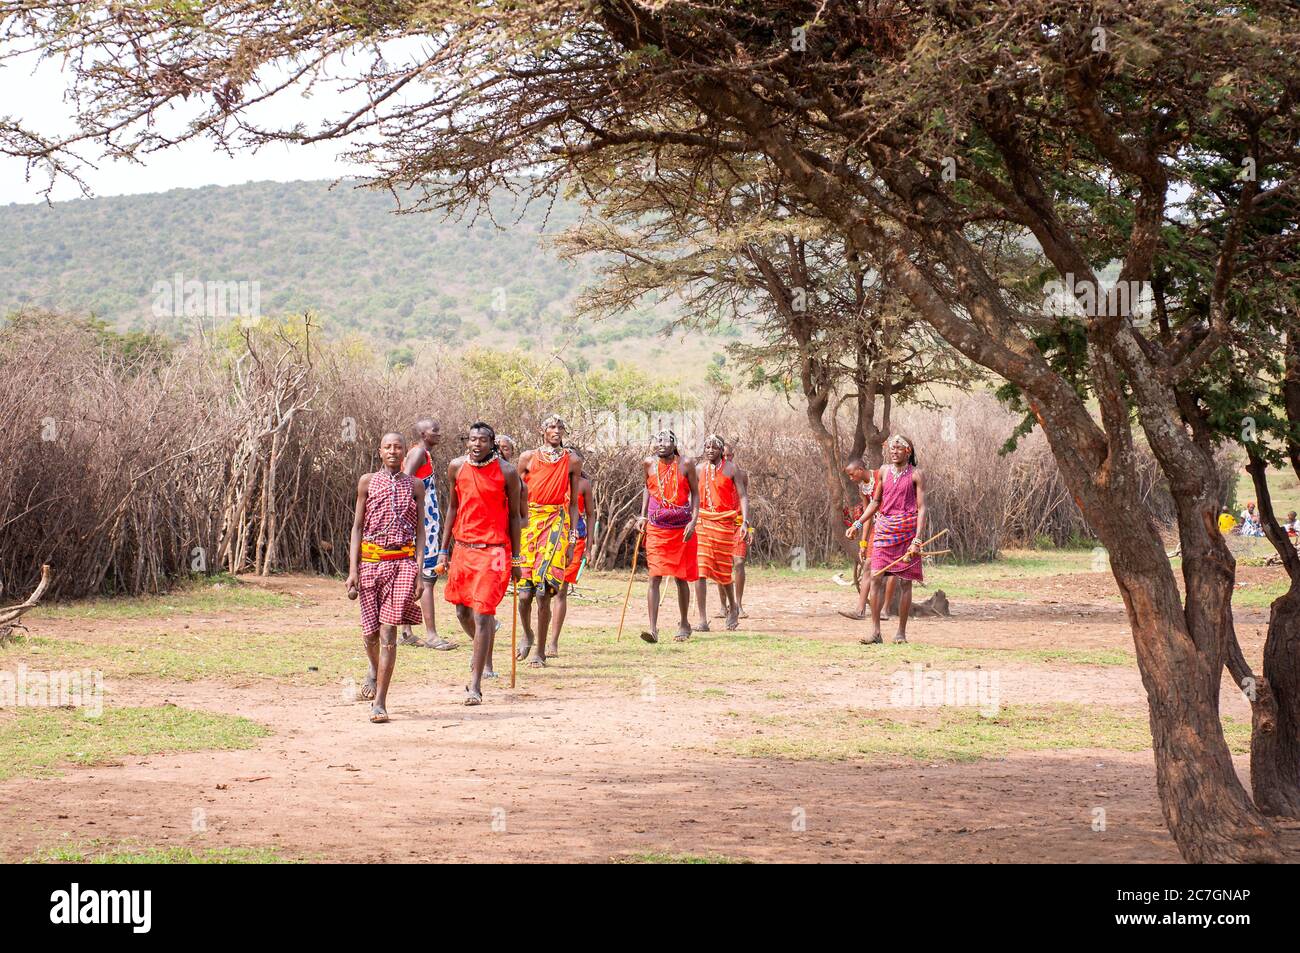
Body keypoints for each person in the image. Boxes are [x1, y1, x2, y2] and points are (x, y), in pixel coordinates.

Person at [435, 422, 523, 705]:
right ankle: (482, 646)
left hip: (494, 550)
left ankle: (475, 685)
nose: (476, 445)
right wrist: (443, 551)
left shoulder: (508, 472)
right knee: (463, 613)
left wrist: (517, 558)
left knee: (483, 613)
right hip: (463, 548)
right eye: (472, 440)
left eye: (482, 440)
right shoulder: (456, 467)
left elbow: (514, 518)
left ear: (492, 443)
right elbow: (451, 508)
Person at [345, 432, 429, 723]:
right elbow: (357, 528)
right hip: (370, 563)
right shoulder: (367, 482)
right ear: (379, 451)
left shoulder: (415, 485)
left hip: (403, 563)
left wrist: (419, 571)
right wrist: (353, 570)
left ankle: (380, 701)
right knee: (369, 632)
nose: (393, 451)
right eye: (388, 447)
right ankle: (373, 668)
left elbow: (421, 531)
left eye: (398, 447)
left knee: (388, 631)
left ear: (405, 452)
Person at [514, 415, 582, 666]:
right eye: (551, 427)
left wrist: (572, 539)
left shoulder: (572, 460)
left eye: (560, 427)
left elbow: (574, 503)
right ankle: (528, 634)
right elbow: (515, 496)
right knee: (523, 595)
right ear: (542, 431)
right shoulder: (527, 457)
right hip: (529, 525)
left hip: (556, 524)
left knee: (544, 591)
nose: (556, 431)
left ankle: (540, 651)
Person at [860, 434, 927, 645]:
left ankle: (901, 633)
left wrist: (917, 539)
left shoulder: (916, 474)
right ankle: (875, 632)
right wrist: (858, 523)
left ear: (908, 451)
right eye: (892, 448)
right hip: (884, 531)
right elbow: (876, 501)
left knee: (906, 583)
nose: (894, 451)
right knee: (876, 578)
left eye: (899, 448)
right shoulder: (883, 471)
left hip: (907, 534)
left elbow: (922, 507)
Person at [636, 429, 699, 643]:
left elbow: (696, 493)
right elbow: (647, 487)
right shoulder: (648, 464)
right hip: (656, 525)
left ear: (674, 444)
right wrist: (642, 516)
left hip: (681, 527)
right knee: (655, 575)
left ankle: (684, 623)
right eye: (658, 440)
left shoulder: (686, 464)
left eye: (666, 441)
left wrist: (694, 520)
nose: (662, 444)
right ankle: (653, 629)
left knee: (681, 577)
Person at [398, 418, 456, 650]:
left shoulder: (424, 453)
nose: (439, 434)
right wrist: (413, 518)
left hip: (425, 523)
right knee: (427, 578)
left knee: (414, 575)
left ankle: (406, 630)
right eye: (435, 431)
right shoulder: (418, 453)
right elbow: (404, 484)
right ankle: (431, 635)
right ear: (423, 434)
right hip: (422, 526)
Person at [694, 435, 748, 631]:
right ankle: (702, 620)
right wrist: (689, 520)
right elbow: (692, 497)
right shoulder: (698, 469)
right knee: (700, 570)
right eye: (706, 447)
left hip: (725, 523)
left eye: (714, 447)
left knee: (724, 571)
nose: (710, 450)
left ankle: (733, 606)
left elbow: (743, 496)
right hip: (702, 522)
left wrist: (745, 522)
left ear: (721, 451)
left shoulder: (732, 469)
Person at [550, 463, 594, 657]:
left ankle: (553, 642)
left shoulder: (583, 484)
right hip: (549, 538)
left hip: (575, 541)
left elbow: (591, 515)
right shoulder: (550, 481)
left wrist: (589, 547)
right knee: (542, 592)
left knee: (561, 591)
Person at [838, 457, 881, 621]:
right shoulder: (863, 487)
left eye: (851, 474)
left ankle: (882, 610)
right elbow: (867, 515)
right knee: (868, 565)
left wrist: (856, 525)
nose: (851, 478)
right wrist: (863, 543)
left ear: (860, 470)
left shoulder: (880, 476)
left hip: (889, 526)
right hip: (875, 529)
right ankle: (860, 610)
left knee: (884, 570)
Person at [723, 443, 752, 619]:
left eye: (729, 456)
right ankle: (722, 605)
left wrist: (748, 525)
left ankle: (738, 605)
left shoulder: (741, 475)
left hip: (738, 523)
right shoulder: (709, 474)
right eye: (724, 456)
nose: (727, 459)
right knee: (722, 566)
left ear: (733, 455)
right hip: (718, 523)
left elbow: (745, 500)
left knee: (739, 562)